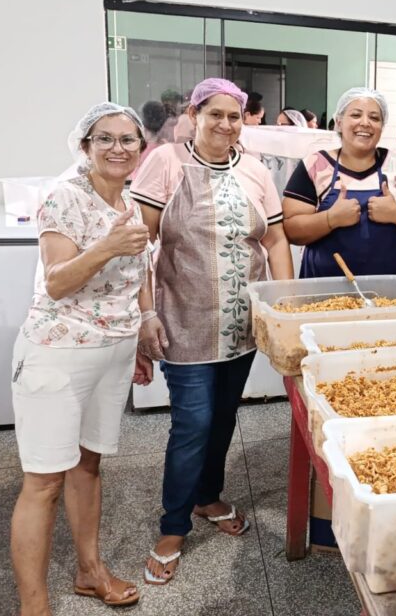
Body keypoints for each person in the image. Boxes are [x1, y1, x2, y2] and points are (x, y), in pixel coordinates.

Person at [130, 78, 294, 585]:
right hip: (184, 321)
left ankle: (207, 497)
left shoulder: (254, 170)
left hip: (242, 327)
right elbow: (140, 244)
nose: (225, 124)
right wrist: (144, 315)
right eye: (215, 114)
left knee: (224, 418)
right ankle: (172, 528)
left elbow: (277, 237)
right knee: (193, 425)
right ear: (194, 114)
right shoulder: (165, 163)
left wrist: (283, 305)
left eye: (235, 115)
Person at [10, 102, 160, 612]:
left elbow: (138, 273)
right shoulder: (62, 197)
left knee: (89, 464)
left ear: (142, 148)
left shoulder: (130, 202)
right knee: (44, 481)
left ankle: (89, 571)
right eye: (106, 139)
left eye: (128, 140)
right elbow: (56, 282)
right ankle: (34, 605)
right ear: (85, 146)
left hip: (112, 350)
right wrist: (108, 245)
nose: (118, 148)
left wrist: (145, 323)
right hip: (59, 351)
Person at [283, 87, 396, 278]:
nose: (365, 123)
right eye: (356, 115)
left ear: (382, 126)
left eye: (374, 118)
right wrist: (331, 218)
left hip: (392, 296)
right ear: (339, 122)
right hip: (323, 296)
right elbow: (291, 229)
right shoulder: (315, 165)